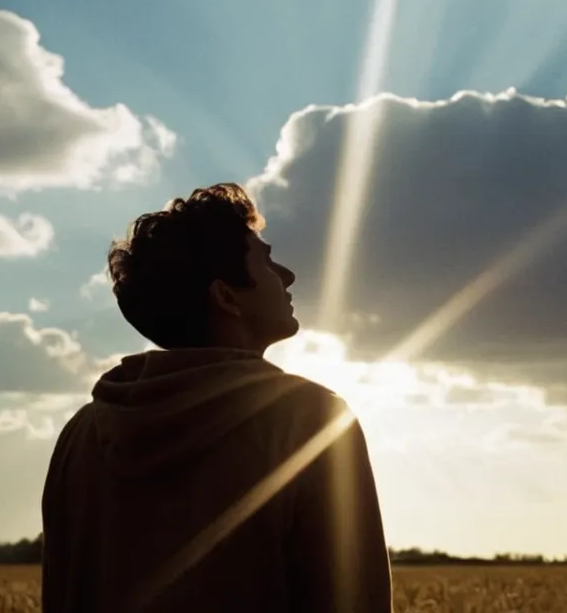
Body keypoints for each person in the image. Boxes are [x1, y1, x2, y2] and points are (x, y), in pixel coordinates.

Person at [41, 183, 392, 612]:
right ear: (226, 296)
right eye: (265, 261)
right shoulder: (312, 423)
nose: (287, 276)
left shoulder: (82, 435)